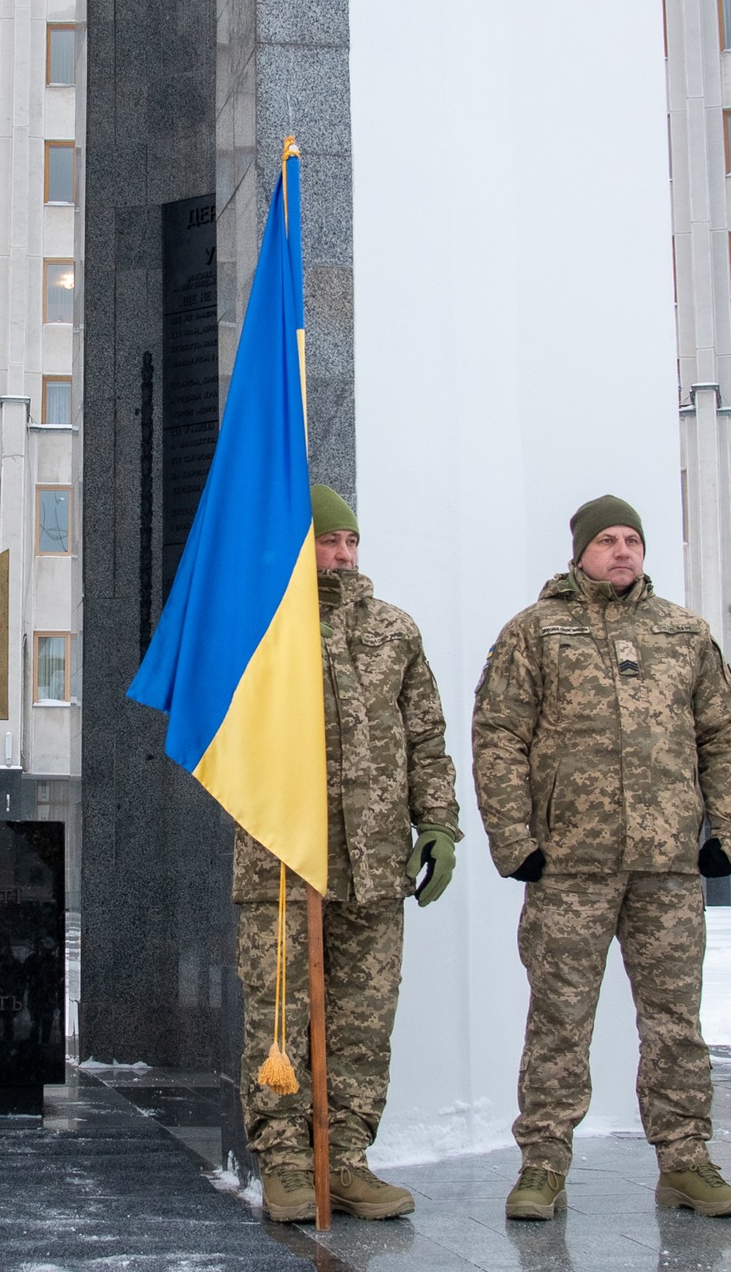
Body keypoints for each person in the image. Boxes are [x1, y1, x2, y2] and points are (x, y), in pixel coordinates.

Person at [472, 495, 731, 1221]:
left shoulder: (683, 633)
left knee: (674, 1020)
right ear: (580, 552)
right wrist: (516, 842)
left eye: (632, 539)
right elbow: (499, 735)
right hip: (570, 865)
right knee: (559, 1018)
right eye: (608, 540)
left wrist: (728, 830)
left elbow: (724, 736)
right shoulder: (537, 632)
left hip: (666, 866)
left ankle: (686, 1157)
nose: (623, 551)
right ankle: (542, 1163)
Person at [236, 485, 461, 1223]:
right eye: (330, 542)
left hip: (374, 862)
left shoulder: (395, 630)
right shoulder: (263, 627)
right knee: (282, 1014)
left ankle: (349, 1156)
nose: (344, 554)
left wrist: (439, 826)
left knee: (364, 1019)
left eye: (351, 542)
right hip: (282, 862)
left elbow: (426, 737)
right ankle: (287, 1162)